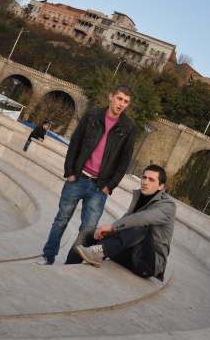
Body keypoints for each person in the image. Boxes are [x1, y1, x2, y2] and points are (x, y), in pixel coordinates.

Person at [35, 85, 136, 265]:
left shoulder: (128, 127)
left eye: (126, 101)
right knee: (61, 220)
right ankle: (48, 256)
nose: (121, 104)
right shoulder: (93, 115)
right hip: (78, 178)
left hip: (100, 187)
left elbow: (124, 162)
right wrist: (70, 172)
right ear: (111, 97)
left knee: (88, 230)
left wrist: (109, 186)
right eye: (119, 99)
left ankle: (71, 264)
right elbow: (75, 142)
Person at [70, 165, 176, 281]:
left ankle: (99, 251)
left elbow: (142, 218)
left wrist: (112, 227)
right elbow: (126, 220)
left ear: (161, 186)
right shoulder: (141, 196)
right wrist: (106, 232)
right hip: (128, 252)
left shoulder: (168, 206)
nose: (145, 182)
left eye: (151, 180)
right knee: (88, 234)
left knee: (141, 226)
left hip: (146, 262)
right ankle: (68, 268)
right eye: (144, 177)